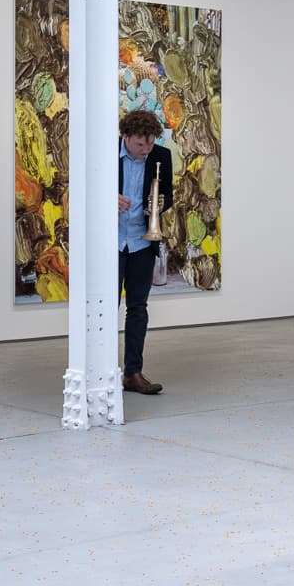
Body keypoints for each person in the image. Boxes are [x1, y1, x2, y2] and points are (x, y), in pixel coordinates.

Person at [118, 109, 173, 395]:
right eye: (140, 144)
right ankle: (99, 371)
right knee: (103, 307)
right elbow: (83, 188)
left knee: (138, 309)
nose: (146, 150)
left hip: (142, 242)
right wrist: (108, 198)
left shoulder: (161, 156)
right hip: (112, 242)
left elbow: (169, 195)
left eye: (150, 143)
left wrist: (158, 205)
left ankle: (133, 373)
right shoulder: (106, 154)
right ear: (125, 136)